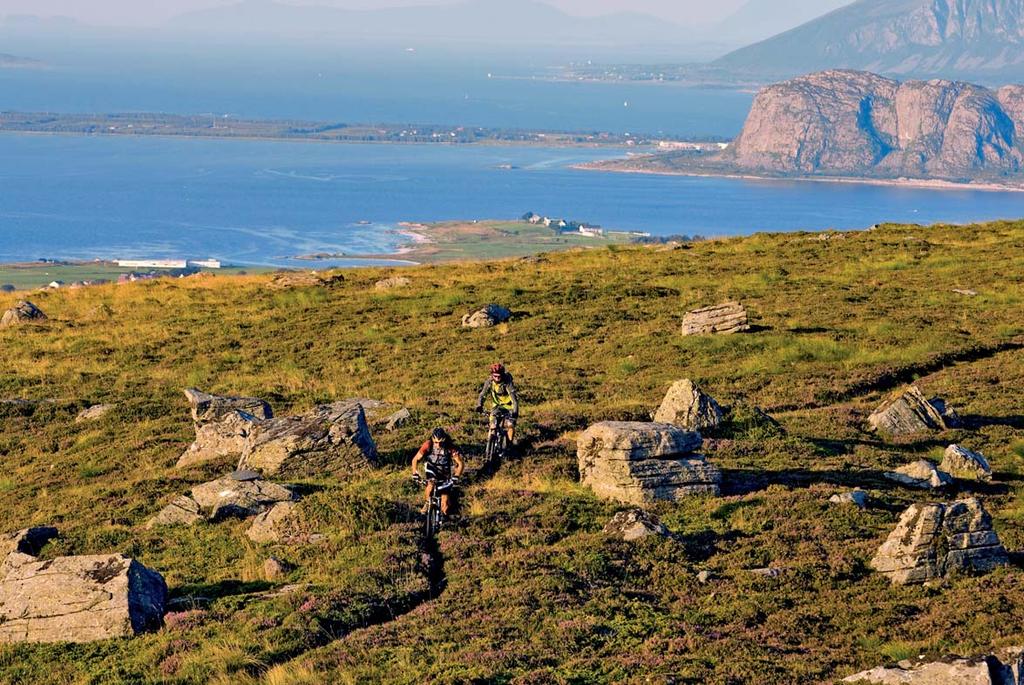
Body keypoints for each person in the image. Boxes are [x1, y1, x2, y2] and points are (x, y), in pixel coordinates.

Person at [411, 427, 465, 517]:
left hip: (445, 472)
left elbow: (460, 463)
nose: (438, 445)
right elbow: (415, 459)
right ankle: (427, 502)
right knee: (430, 485)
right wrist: (415, 473)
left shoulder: (450, 447)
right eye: (436, 442)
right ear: (432, 439)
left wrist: (457, 476)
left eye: (441, 442)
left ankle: (443, 520)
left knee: (445, 505)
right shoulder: (428, 445)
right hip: (431, 468)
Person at [476, 362, 519, 449]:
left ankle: (509, 446)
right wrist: (479, 405)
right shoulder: (489, 382)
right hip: (497, 406)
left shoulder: (507, 383)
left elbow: (514, 400)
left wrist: (515, 412)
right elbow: (483, 395)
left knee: (510, 425)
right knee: (492, 425)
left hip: (509, 406)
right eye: (495, 376)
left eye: (499, 376)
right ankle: (489, 445)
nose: (497, 378)